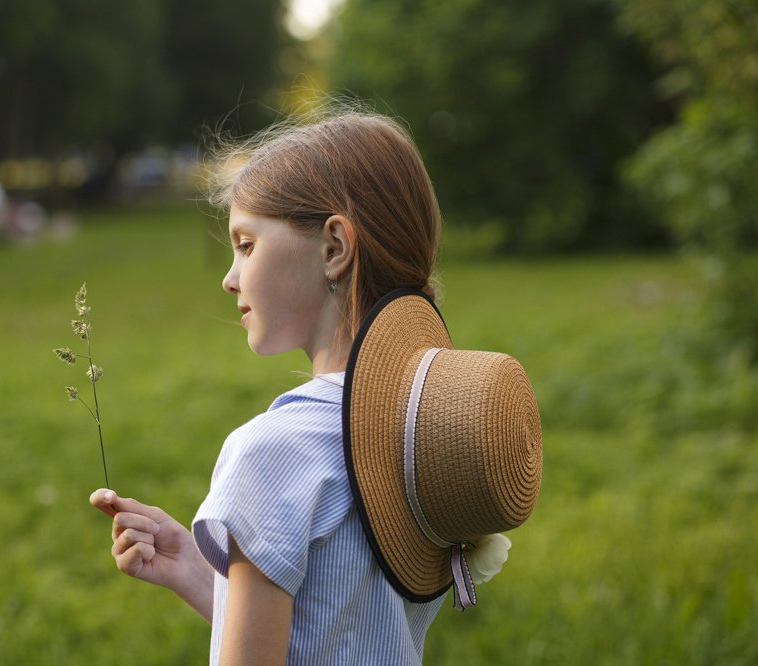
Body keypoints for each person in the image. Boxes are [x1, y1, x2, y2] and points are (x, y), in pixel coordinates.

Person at [89, 107, 541, 664]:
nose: (229, 278)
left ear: (333, 249)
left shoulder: (271, 452)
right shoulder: (418, 434)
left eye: (246, 244)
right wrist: (193, 568)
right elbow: (331, 629)